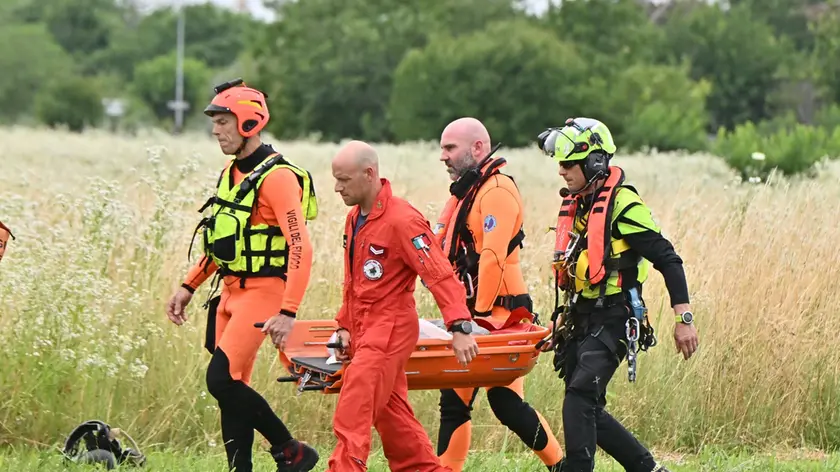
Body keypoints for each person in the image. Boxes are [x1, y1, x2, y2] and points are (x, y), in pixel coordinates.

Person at [165, 79, 319, 472]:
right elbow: (224, 241)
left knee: (219, 380)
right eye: (214, 122)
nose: (216, 130)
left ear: (249, 122)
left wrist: (288, 311)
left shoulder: (278, 177)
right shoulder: (230, 174)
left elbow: (301, 247)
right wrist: (188, 285)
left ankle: (293, 450)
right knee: (231, 390)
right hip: (229, 293)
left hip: (264, 294)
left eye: (222, 121)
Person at [536, 117, 700, 472]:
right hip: (584, 316)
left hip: (616, 316)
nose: (561, 172)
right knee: (589, 406)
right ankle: (648, 469)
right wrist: (564, 315)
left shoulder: (623, 205)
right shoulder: (580, 203)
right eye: (559, 164)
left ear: (594, 163)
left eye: (568, 164)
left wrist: (683, 320)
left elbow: (668, 260)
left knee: (579, 397)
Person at [326, 140, 480, 472]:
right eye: (335, 179)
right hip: (366, 328)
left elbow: (438, 274)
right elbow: (354, 284)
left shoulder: (402, 220)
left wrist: (459, 326)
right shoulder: (355, 219)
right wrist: (344, 326)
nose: (337, 188)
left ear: (369, 174)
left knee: (354, 409)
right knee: (392, 417)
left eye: (344, 180)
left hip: (390, 328)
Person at [432, 117, 564, 472]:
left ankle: (561, 465)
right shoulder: (469, 193)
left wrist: (474, 318)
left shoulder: (497, 191)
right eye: (442, 148)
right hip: (479, 313)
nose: (442, 156)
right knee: (480, 402)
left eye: (449, 148)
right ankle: (560, 466)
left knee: (484, 401)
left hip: (499, 315)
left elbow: (491, 258)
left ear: (478, 148)